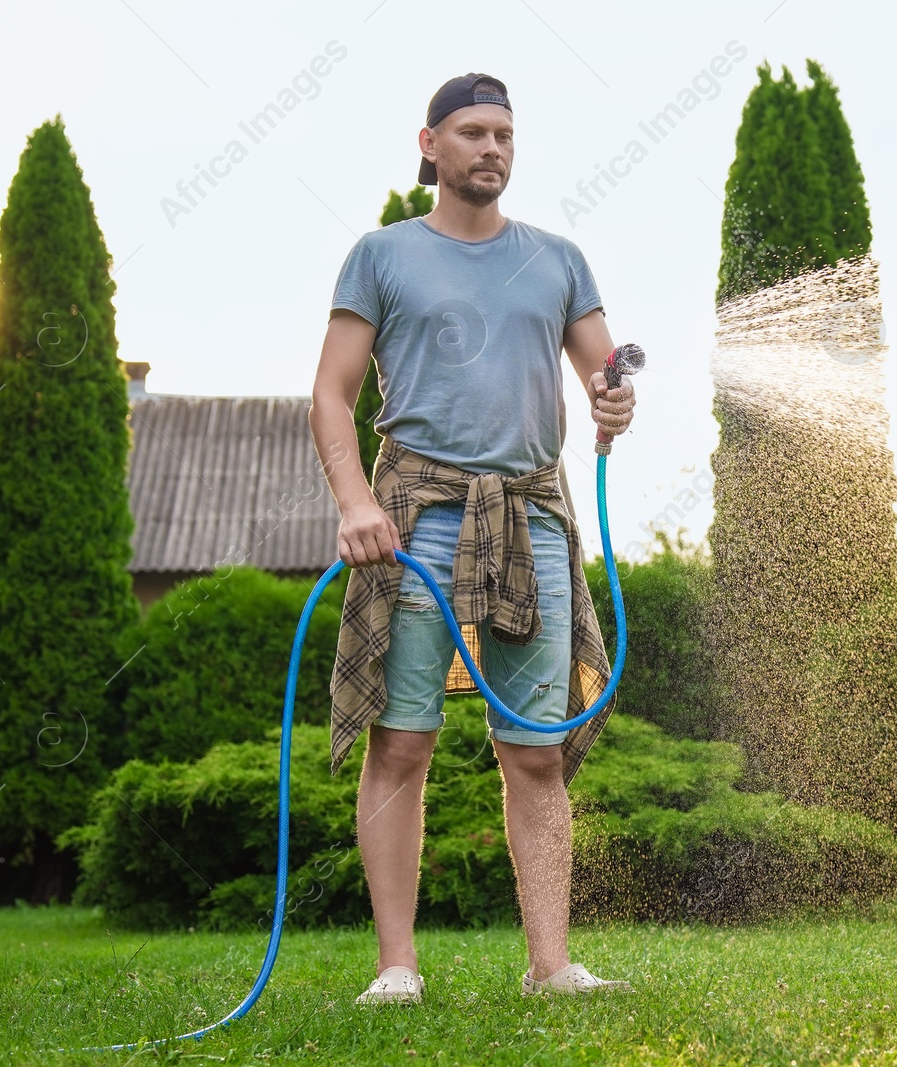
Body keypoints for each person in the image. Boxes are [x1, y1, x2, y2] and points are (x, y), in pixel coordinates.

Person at [308, 72, 637, 1006]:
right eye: (471, 132)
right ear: (429, 144)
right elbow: (331, 393)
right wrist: (352, 500)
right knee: (403, 743)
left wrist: (614, 395)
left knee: (534, 750)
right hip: (414, 516)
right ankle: (396, 967)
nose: (491, 148)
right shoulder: (381, 255)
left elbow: (602, 368)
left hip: (531, 516)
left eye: (503, 134)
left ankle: (551, 967)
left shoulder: (559, 258)